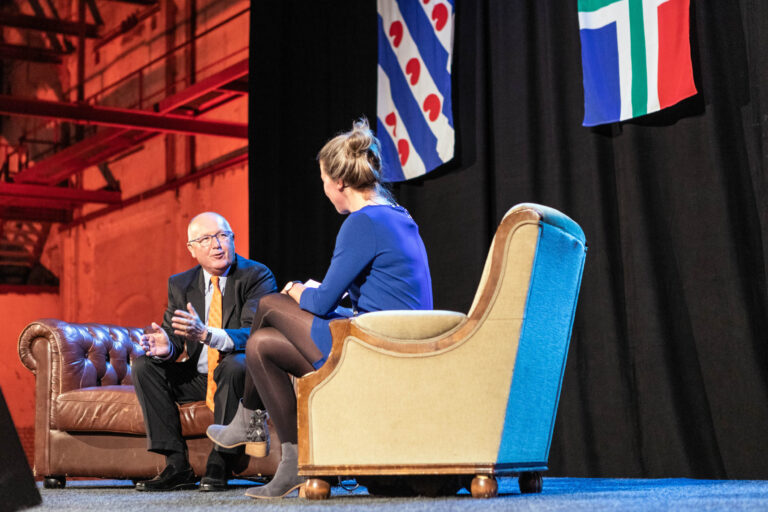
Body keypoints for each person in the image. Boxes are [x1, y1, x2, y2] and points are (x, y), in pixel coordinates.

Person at [206, 118, 433, 499]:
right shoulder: (396, 214)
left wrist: (298, 291)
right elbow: (379, 290)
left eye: (324, 181)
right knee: (261, 344)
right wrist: (319, 293)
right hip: (390, 337)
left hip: (373, 346)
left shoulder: (363, 222)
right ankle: (292, 461)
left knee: (270, 303)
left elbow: (323, 301)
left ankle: (248, 419)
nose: (325, 190)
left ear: (339, 182)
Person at [133, 212, 277, 492]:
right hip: (200, 375)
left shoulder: (256, 275)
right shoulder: (180, 284)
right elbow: (175, 336)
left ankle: (220, 459)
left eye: (223, 236)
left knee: (235, 365)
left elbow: (253, 333)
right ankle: (177, 465)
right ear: (192, 249)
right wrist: (165, 347)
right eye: (206, 239)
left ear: (233, 239)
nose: (217, 245)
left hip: (238, 372)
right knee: (144, 367)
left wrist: (206, 334)